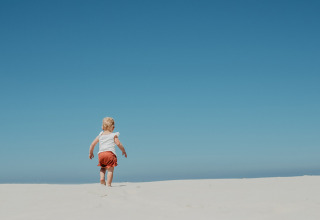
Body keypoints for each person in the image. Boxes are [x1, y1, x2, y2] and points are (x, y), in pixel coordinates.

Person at [89, 117, 127, 186]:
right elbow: (118, 143)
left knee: (103, 168)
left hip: (101, 154)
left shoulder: (100, 135)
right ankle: (109, 184)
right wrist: (123, 151)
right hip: (110, 154)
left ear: (102, 127)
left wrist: (91, 153)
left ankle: (102, 178)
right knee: (110, 169)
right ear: (113, 128)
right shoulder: (113, 135)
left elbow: (92, 144)